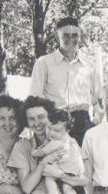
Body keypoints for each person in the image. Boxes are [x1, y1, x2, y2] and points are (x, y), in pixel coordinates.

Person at [29, 16, 102, 144]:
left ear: (80, 36)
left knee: (83, 162)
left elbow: (98, 99)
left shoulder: (88, 65)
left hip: (83, 124)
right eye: (66, 35)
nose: (71, 39)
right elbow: (34, 99)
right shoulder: (44, 63)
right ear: (57, 37)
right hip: (56, 123)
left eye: (75, 35)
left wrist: (96, 122)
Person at [29, 108, 87, 194]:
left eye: (57, 131)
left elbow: (43, 151)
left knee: (49, 176)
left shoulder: (56, 143)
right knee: (67, 186)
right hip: (75, 169)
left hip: (64, 168)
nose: (51, 133)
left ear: (67, 131)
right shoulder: (70, 141)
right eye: (49, 128)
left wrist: (34, 152)